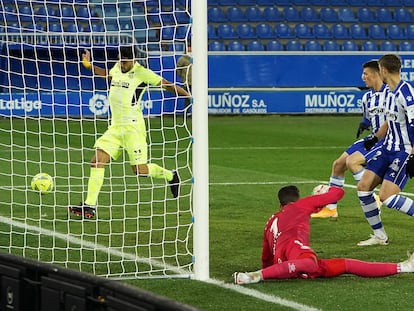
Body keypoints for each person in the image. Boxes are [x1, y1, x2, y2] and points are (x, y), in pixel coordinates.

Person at [68, 46, 190, 219]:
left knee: (139, 170)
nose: (121, 64)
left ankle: (171, 176)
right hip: (115, 128)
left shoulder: (142, 73)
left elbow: (167, 85)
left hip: (133, 129)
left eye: (124, 61)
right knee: (96, 161)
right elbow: (107, 75)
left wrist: (188, 95)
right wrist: (88, 65)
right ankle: (89, 206)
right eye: (120, 60)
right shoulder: (117, 68)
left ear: (133, 60)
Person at [233, 185, 414, 284]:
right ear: (297, 198)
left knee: (345, 264)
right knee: (310, 263)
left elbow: (266, 256)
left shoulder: (270, 221)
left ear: (280, 203)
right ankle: (254, 276)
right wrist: (325, 190)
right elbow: (338, 193)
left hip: (286, 262)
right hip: (296, 253)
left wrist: (271, 269)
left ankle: (404, 267)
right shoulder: (301, 205)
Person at [312, 60, 387, 219]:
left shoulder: (392, 94)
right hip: (373, 137)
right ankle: (331, 209)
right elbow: (368, 117)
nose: (363, 77)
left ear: (377, 74)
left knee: (352, 162)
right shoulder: (367, 97)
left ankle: (372, 198)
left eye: (366, 74)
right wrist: (363, 124)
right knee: (338, 165)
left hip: (388, 140)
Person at [357, 53, 414, 246]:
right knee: (363, 187)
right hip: (387, 148)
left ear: (383, 70)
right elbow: (390, 121)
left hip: (403, 151)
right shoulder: (389, 93)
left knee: (386, 197)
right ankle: (380, 236)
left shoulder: (406, 93)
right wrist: (374, 138)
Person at [176, 42, 192, 112]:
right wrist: (183, 78)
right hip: (187, 82)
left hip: (195, 82)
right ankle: (187, 112)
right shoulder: (182, 59)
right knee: (187, 97)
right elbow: (178, 69)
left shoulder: (196, 57)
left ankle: (195, 112)